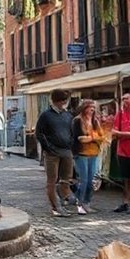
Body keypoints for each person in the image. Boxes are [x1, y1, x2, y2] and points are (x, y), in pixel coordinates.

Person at [35, 89, 78, 217]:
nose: (64, 103)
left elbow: (72, 132)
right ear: (55, 101)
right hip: (52, 153)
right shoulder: (46, 115)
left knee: (66, 179)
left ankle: (64, 201)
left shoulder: (68, 115)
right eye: (62, 100)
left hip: (66, 151)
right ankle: (55, 206)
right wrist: (48, 148)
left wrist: (70, 144)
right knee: (52, 180)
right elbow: (39, 133)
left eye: (65, 100)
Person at [71, 100, 106, 214]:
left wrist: (91, 138)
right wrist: (92, 138)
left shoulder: (95, 121)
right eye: (90, 107)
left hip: (93, 153)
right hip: (81, 153)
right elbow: (80, 138)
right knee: (84, 180)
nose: (92, 109)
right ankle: (80, 203)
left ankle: (86, 202)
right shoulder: (77, 120)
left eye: (93, 107)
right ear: (84, 108)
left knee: (91, 181)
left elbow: (102, 137)